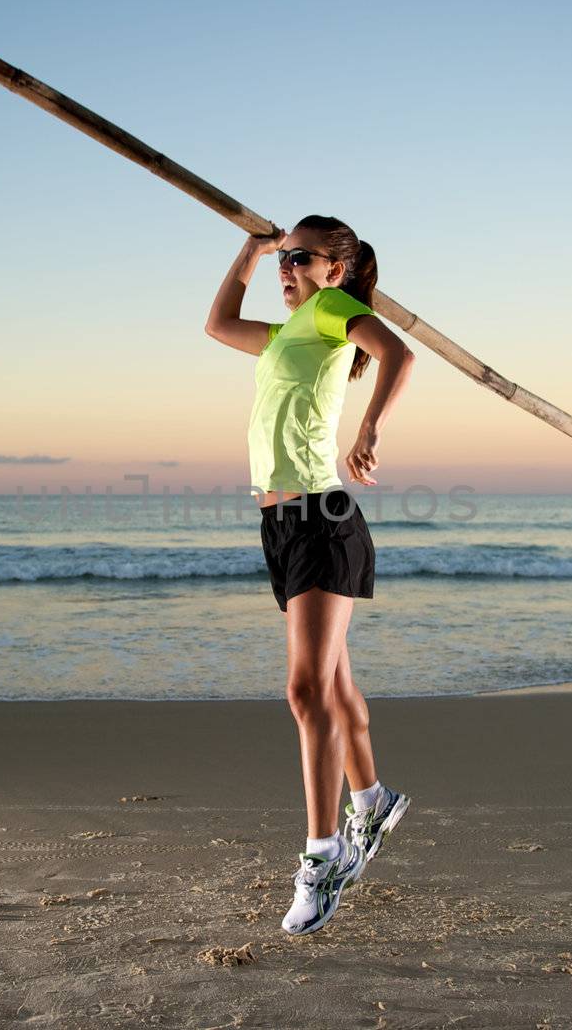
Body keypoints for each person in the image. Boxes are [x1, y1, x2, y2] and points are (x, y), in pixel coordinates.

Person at [205, 214, 417, 935]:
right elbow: (218, 323)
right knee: (334, 688)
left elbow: (399, 355)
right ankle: (374, 803)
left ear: (336, 268)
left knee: (304, 692)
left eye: (301, 258)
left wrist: (369, 430)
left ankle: (321, 858)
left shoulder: (332, 310)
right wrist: (251, 248)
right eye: (283, 260)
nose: (287, 269)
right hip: (282, 527)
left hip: (321, 520)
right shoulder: (280, 335)